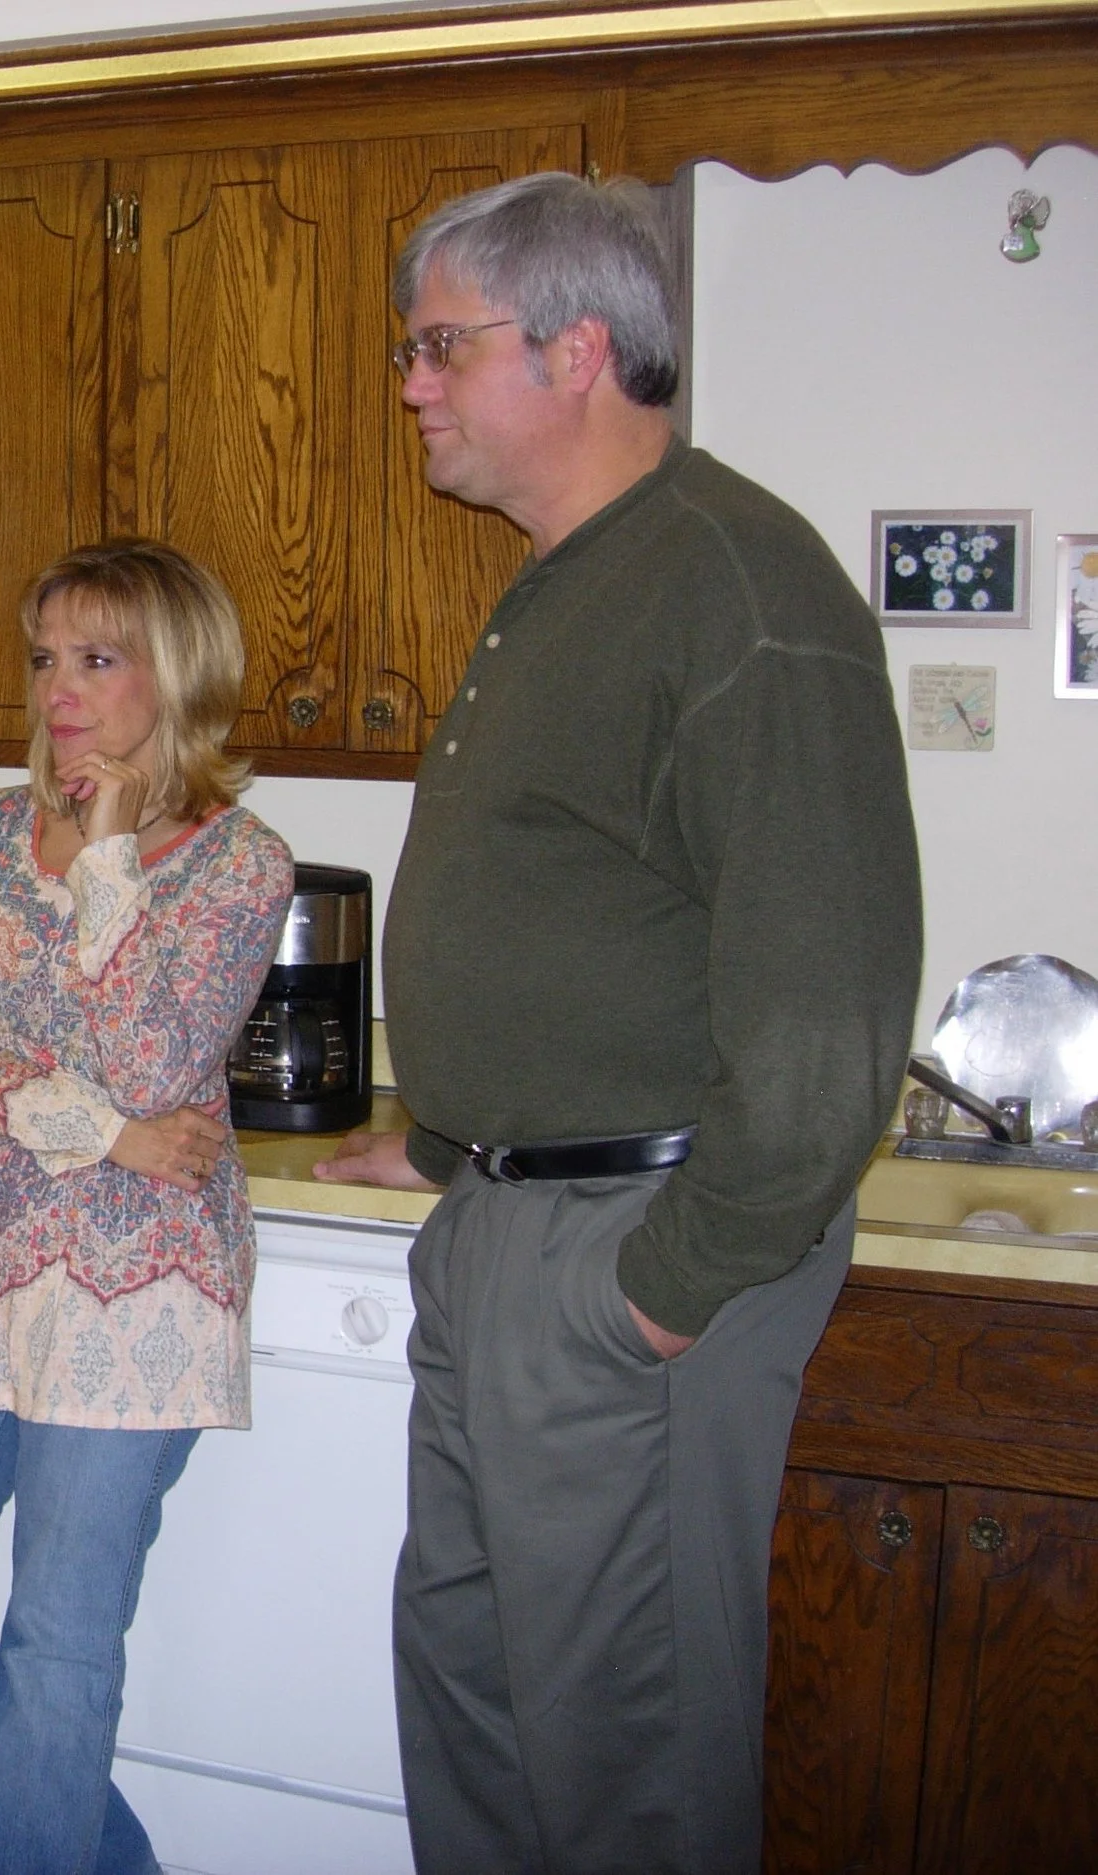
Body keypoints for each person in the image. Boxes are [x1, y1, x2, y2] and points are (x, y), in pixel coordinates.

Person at [315, 172, 922, 1873]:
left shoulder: (735, 583)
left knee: (623, 1767)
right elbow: (587, 914)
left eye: (439, 344)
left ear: (578, 348)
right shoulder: (568, 582)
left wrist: (657, 1294)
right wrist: (444, 1143)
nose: (412, 381)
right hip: (517, 1225)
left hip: (630, 1254)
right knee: (485, 1710)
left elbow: (827, 1015)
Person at [0, 539, 294, 1873]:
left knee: (61, 1643)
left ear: (180, 674)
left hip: (138, 1287)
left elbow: (157, 1050)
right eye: (47, 658)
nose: (60, 691)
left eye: (99, 659)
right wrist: (98, 1129)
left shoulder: (243, 864)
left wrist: (106, 856)